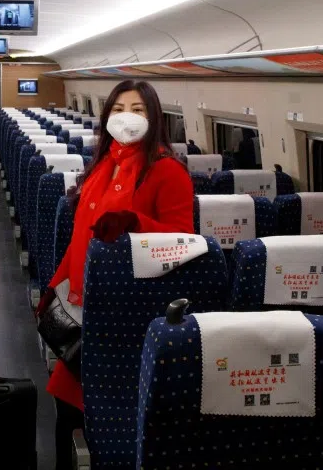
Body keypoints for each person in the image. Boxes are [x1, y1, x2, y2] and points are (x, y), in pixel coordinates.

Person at [39, 80, 195, 469]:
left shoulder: (167, 171)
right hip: (83, 314)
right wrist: (53, 289)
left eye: (138, 110)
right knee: (67, 411)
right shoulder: (102, 166)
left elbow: (184, 245)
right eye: (119, 109)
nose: (127, 117)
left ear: (154, 117)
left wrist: (136, 224)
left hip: (128, 321)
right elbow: (80, 241)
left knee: (102, 424)